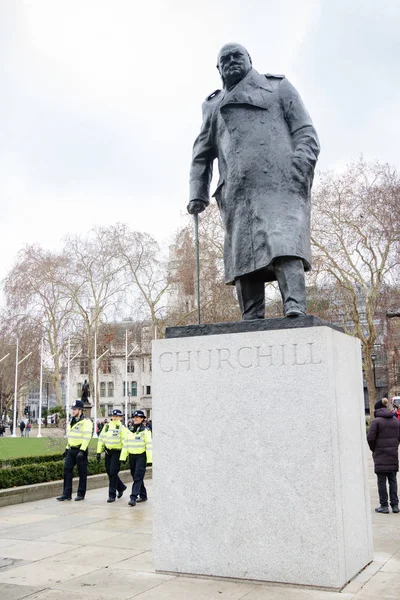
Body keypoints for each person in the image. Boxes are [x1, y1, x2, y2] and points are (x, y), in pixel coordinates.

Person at [188, 43, 320, 320]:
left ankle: (294, 304)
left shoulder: (278, 88)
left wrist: (299, 169)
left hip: (280, 183)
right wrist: (197, 193)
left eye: (238, 56)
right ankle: (251, 314)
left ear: (250, 59)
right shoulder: (212, 105)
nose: (232, 61)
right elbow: (201, 154)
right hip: (237, 190)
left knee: (284, 243)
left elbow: (306, 132)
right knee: (243, 254)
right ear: (218, 67)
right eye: (226, 59)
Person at [367, 397, 400, 513]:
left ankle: (384, 506)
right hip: (393, 456)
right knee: (393, 481)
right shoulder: (396, 421)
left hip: (380, 456)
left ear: (377, 410)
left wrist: (374, 449)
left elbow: (370, 438)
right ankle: (395, 506)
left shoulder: (376, 422)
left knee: (381, 481)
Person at [56, 400, 93, 502]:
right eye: (73, 409)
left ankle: (81, 494)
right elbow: (71, 436)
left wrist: (82, 450)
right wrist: (67, 448)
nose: (73, 411)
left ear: (80, 410)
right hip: (71, 449)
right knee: (67, 470)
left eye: (75, 409)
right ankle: (66, 494)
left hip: (81, 449)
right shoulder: (72, 421)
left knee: (82, 472)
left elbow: (87, 437)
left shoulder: (86, 422)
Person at [120, 410, 152, 507]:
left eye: (138, 417)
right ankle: (143, 495)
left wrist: (150, 460)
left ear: (142, 419)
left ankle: (133, 497)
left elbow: (149, 445)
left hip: (141, 456)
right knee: (135, 476)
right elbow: (126, 444)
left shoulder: (145, 431)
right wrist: (123, 457)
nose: (136, 419)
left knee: (138, 476)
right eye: (134, 417)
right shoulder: (130, 430)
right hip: (132, 456)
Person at [96, 409, 128, 503]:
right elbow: (101, 439)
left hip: (117, 452)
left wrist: (124, 456)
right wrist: (98, 452)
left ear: (120, 417)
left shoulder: (122, 428)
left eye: (117, 416)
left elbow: (125, 442)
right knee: (109, 471)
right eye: (113, 416)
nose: (114, 418)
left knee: (113, 472)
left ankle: (112, 495)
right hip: (107, 452)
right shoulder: (106, 426)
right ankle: (121, 487)